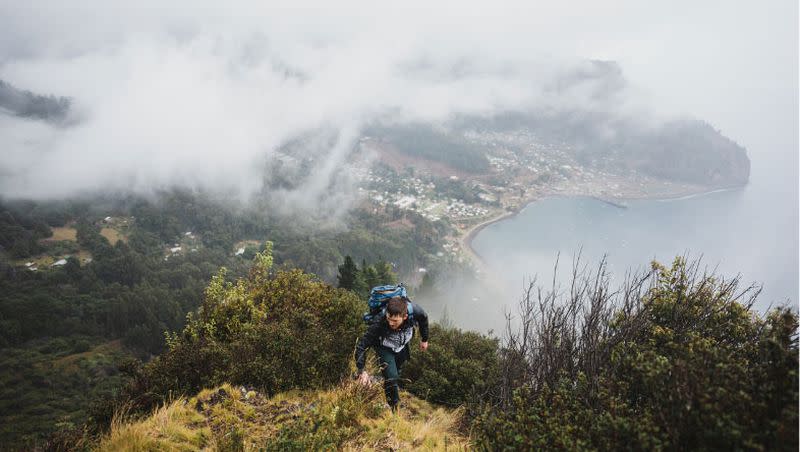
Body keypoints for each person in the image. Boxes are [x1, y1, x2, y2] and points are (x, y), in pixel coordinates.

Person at [354, 296, 429, 411]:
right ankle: (395, 408)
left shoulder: (416, 311)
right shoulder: (379, 321)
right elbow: (362, 345)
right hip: (384, 347)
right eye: (389, 318)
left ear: (405, 316)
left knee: (397, 371)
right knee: (391, 378)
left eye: (395, 321)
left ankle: (378, 379)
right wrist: (361, 370)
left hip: (401, 346)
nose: (390, 323)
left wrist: (424, 339)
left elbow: (424, 319)